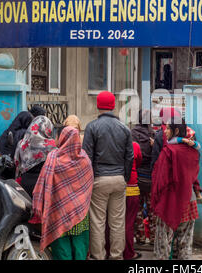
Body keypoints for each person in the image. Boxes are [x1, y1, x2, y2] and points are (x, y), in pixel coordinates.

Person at [83, 91, 134, 260]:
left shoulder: (92, 127)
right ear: (113, 106)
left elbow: (87, 157)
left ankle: (98, 257)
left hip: (99, 179)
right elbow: (130, 157)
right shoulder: (125, 129)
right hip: (119, 178)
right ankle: (116, 256)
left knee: (97, 222)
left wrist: (89, 180)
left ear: (98, 105)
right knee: (117, 222)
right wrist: (124, 178)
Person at [32, 126, 94, 260]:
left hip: (58, 212)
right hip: (80, 213)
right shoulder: (85, 159)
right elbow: (89, 185)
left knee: (61, 246)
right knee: (80, 245)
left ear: (62, 138)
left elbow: (44, 184)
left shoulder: (53, 158)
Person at [151, 120, 200, 260]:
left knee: (163, 243)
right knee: (185, 242)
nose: (165, 132)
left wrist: (155, 200)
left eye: (167, 129)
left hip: (169, 202)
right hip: (189, 200)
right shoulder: (192, 152)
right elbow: (194, 176)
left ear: (176, 131)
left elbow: (160, 180)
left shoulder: (168, 151)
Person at [151, 107, 202, 205]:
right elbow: (195, 152)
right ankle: (197, 193)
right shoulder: (189, 132)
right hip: (186, 175)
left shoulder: (162, 133)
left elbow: (156, 159)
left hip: (168, 177)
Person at [14, 116, 57, 197]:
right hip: (44, 184)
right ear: (48, 128)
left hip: (25, 183)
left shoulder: (21, 144)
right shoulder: (52, 145)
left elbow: (17, 163)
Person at [131, 110, 156, 245]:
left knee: (138, 209)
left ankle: (140, 236)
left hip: (137, 178)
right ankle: (152, 237)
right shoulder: (154, 135)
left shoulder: (132, 133)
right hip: (151, 178)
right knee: (152, 209)